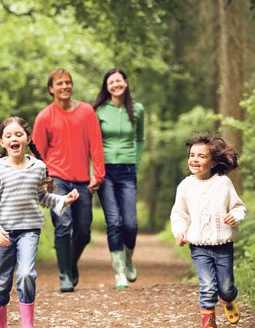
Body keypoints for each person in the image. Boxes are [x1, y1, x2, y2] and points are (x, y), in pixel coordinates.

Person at [0, 116, 80, 328]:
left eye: (19, 134)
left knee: (26, 274)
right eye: (8, 136)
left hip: (29, 230)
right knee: (1, 283)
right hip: (4, 233)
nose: (14, 138)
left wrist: (64, 200)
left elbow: (42, 197)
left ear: (27, 139)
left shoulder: (38, 167)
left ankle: (28, 325)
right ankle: (1, 325)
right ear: (2, 142)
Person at [32, 68, 105, 292]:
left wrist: (98, 174)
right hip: (57, 180)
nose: (65, 86)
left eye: (68, 82)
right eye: (60, 83)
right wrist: (43, 181)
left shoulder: (86, 112)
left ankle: (70, 264)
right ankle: (64, 275)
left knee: (83, 231)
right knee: (63, 225)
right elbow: (37, 153)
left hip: (82, 180)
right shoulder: (45, 117)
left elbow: (96, 144)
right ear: (51, 89)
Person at [170, 132, 245, 328]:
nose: (194, 160)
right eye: (192, 155)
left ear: (212, 162)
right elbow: (179, 214)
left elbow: (238, 207)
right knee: (208, 287)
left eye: (201, 156)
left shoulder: (223, 183)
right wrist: (179, 230)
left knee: (226, 288)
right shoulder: (185, 186)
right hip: (199, 247)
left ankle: (228, 299)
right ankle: (209, 323)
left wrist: (235, 216)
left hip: (223, 246)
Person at [92, 67, 145, 289]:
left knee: (130, 224)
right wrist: (93, 171)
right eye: (111, 82)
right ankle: (119, 272)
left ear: (126, 82)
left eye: (119, 81)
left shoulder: (138, 109)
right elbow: (93, 143)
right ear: (106, 86)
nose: (116, 85)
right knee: (113, 222)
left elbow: (140, 138)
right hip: (105, 172)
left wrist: (135, 160)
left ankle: (128, 258)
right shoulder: (99, 111)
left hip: (127, 171)